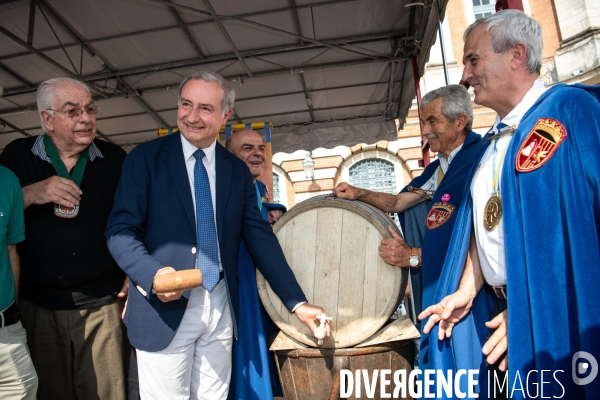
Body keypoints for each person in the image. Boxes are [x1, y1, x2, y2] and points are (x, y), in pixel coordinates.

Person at [105, 69, 329, 400]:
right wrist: (152, 275)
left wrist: (298, 303)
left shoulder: (235, 170)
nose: (191, 117)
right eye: (186, 104)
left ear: (226, 115)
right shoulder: (145, 159)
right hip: (164, 309)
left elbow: (260, 239)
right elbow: (120, 231)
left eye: (205, 109)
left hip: (220, 307)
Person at [419, 10, 600, 398]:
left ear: (516, 56)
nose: (465, 76)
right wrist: (468, 287)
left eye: (473, 59)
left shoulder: (570, 110)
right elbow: (485, 229)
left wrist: (527, 307)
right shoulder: (489, 146)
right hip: (501, 315)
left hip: (561, 319)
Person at [333, 84, 483, 364]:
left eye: (432, 121)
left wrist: (413, 257)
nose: (424, 131)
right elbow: (398, 203)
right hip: (442, 286)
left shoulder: (482, 158)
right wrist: (358, 193)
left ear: (460, 122)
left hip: (476, 292)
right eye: (423, 122)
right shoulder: (437, 170)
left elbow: (482, 238)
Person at [0, 77, 129, 400]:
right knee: (47, 393)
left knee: (106, 393)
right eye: (72, 111)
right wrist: (31, 193)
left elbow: (136, 222)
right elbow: (4, 215)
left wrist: (131, 272)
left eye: (89, 109)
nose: (86, 118)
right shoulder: (16, 156)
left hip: (103, 304)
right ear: (47, 118)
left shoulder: (115, 159)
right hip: (37, 306)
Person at [225, 129, 286, 400]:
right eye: (247, 148)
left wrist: (277, 208)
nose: (257, 153)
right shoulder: (222, 188)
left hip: (262, 274)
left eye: (260, 148)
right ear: (227, 157)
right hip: (238, 273)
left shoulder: (260, 188)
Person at [0, 166, 38, 400]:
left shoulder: (6, 179)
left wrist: (12, 314)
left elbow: (11, 250)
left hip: (6, 331)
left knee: (23, 391)